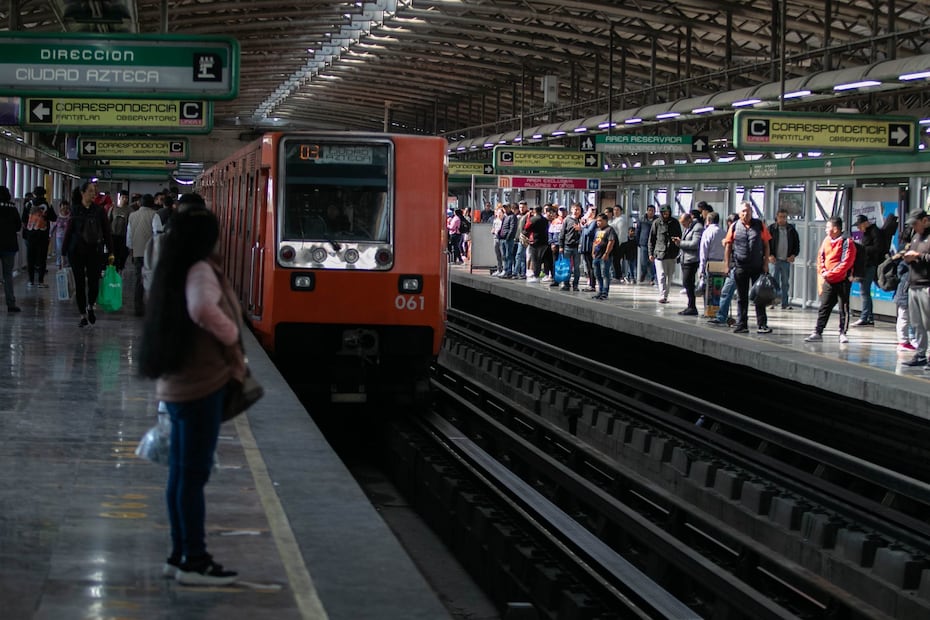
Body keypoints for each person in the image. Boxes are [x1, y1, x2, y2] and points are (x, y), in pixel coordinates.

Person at [138, 197, 241, 585]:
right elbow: (202, 309)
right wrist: (231, 333)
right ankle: (193, 560)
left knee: (180, 475)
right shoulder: (199, 269)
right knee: (192, 476)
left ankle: (178, 553)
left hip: (176, 385)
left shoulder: (171, 266)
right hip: (199, 386)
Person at [62, 179, 113, 328]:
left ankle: (90, 305)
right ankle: (82, 315)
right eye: (90, 191)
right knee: (79, 284)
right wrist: (63, 252)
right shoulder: (75, 210)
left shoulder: (99, 211)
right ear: (82, 193)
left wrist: (111, 251)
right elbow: (68, 231)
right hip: (76, 251)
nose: (93, 193)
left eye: (94, 191)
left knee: (93, 283)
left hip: (94, 251)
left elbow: (107, 232)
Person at [804, 217, 857, 343]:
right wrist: (823, 272)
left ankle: (843, 332)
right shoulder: (826, 240)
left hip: (842, 280)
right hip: (829, 279)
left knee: (843, 306)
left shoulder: (847, 242)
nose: (826, 230)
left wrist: (831, 273)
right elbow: (821, 256)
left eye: (828, 227)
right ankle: (818, 331)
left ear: (835, 228)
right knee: (824, 306)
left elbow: (846, 262)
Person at [724, 201, 772, 334]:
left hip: (757, 266)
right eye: (743, 211)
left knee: (759, 296)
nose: (746, 213)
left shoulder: (760, 225)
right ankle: (742, 324)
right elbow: (728, 246)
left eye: (748, 211)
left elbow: (767, 245)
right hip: (740, 267)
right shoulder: (734, 226)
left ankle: (762, 324)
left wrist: (766, 263)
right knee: (742, 297)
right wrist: (727, 265)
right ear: (739, 214)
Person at [901, 209, 930, 368]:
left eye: (916, 224)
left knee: (929, 323)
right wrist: (907, 257)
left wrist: (918, 256)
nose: (914, 227)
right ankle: (920, 354)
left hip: (927, 285)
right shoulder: (915, 237)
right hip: (914, 284)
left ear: (925, 220)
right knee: (917, 323)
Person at [128, 194, 158, 316]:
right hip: (150, 253)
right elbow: (158, 234)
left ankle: (138, 307)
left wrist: (131, 249)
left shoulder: (132, 215)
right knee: (151, 279)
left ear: (140, 203)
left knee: (138, 280)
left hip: (137, 252)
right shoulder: (154, 215)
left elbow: (129, 235)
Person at [851, 214, 883, 326]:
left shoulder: (874, 231)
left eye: (859, 226)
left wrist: (863, 249)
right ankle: (869, 317)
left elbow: (878, 248)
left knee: (864, 291)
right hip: (865, 265)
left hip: (870, 265)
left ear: (865, 223)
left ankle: (865, 317)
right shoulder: (866, 233)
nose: (859, 228)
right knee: (864, 291)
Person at [22, 186, 57, 288]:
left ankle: (31, 280)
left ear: (34, 194)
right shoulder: (47, 205)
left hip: (31, 234)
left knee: (30, 257)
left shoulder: (28, 204)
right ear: (44, 194)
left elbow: (23, 219)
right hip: (43, 234)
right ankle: (41, 281)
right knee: (42, 258)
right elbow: (54, 217)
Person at [767, 207, 800, 310]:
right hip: (774, 261)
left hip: (786, 260)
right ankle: (772, 302)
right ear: (777, 217)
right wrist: (769, 255)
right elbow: (766, 244)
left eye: (784, 217)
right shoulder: (771, 229)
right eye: (780, 217)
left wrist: (794, 255)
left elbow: (796, 244)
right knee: (773, 282)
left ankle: (784, 303)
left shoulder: (791, 230)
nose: (782, 219)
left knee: (785, 282)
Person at [648, 204, 682, 304]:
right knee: (661, 274)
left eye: (667, 213)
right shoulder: (657, 223)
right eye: (663, 213)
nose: (665, 214)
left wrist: (677, 250)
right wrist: (651, 253)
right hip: (659, 253)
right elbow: (652, 239)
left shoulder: (675, 223)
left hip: (672, 253)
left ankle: (666, 294)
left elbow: (679, 237)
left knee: (669, 276)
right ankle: (662, 295)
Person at [675, 211, 704, 315]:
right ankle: (690, 306)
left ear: (689, 220)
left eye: (684, 223)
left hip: (692, 260)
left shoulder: (698, 227)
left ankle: (692, 306)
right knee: (687, 283)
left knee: (688, 282)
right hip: (685, 258)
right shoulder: (688, 228)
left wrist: (680, 243)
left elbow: (695, 244)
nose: (683, 225)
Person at [0, 186, 21, 312]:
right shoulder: (13, 208)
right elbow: (18, 226)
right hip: (9, 246)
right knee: (8, 275)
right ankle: (11, 303)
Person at [591, 212, 617, 300]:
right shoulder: (597, 230)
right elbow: (595, 242)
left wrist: (606, 253)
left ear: (606, 221)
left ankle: (605, 292)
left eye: (600, 221)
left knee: (605, 274)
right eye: (597, 221)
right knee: (597, 274)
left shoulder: (609, 229)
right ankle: (600, 291)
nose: (598, 223)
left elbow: (611, 241)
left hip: (604, 256)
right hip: (596, 256)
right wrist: (593, 252)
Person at [558, 203, 583, 291]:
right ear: (571, 210)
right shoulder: (567, 220)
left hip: (578, 247)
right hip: (567, 246)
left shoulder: (582, 220)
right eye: (575, 209)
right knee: (566, 267)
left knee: (577, 267)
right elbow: (562, 233)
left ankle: (575, 285)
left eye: (578, 210)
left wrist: (581, 229)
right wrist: (561, 246)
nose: (576, 211)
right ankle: (566, 284)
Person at [109, 192, 132, 272]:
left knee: (122, 254)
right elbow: (109, 220)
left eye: (126, 198)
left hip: (123, 236)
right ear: (120, 198)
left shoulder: (130, 210)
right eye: (123, 197)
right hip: (113, 235)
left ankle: (120, 269)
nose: (125, 199)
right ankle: (112, 270)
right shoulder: (113, 208)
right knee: (113, 253)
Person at [636, 205, 657, 284]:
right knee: (643, 261)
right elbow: (638, 231)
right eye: (649, 210)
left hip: (653, 243)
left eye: (652, 210)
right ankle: (644, 272)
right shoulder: (642, 219)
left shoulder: (657, 220)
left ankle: (652, 278)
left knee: (652, 262)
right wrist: (637, 241)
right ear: (647, 211)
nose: (650, 212)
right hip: (643, 243)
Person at [51, 200, 71, 268]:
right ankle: (59, 262)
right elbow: (53, 226)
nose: (65, 209)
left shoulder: (70, 216)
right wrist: (50, 234)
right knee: (59, 249)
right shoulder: (57, 217)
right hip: (59, 236)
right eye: (63, 207)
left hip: (68, 236)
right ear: (60, 208)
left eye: (66, 208)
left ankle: (67, 263)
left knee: (68, 250)